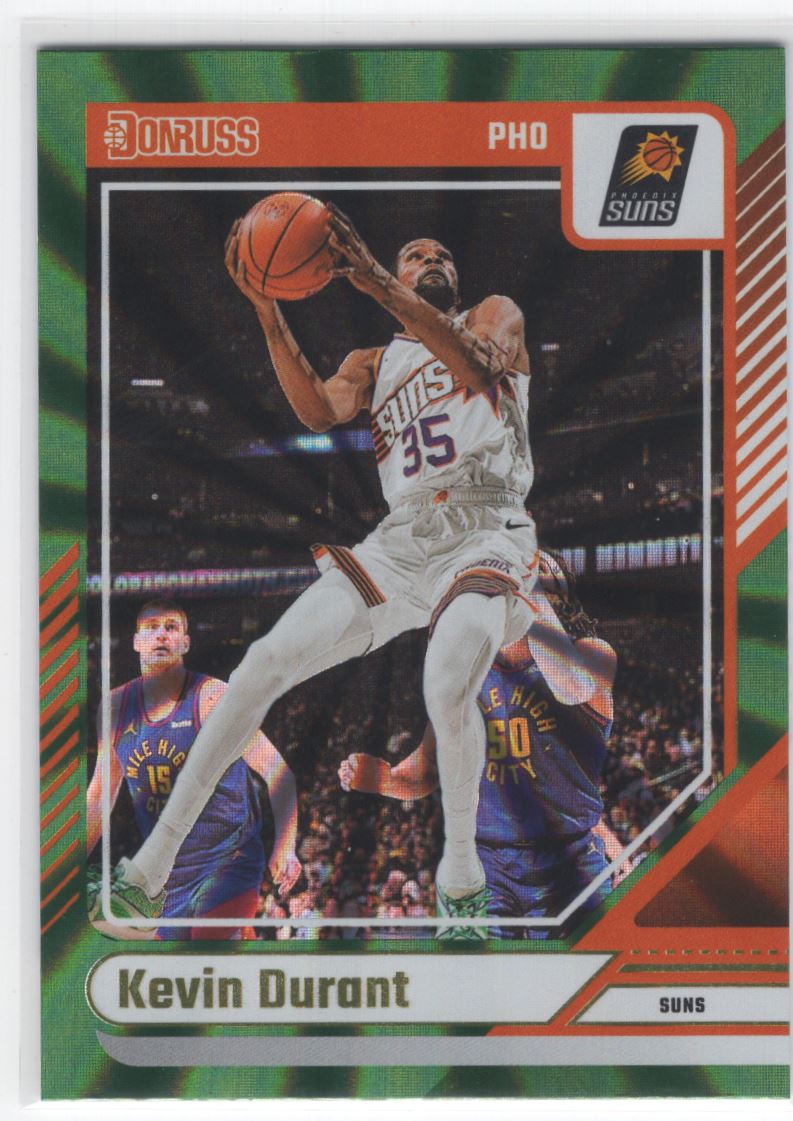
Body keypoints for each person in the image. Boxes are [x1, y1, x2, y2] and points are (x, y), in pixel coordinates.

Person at [97, 203, 536, 936]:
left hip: (485, 527)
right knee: (263, 661)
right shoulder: (373, 363)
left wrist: (375, 281)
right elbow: (317, 411)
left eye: (441, 254)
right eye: (415, 253)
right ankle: (150, 869)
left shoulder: (494, 314)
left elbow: (481, 365)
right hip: (401, 540)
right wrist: (268, 312)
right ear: (400, 271)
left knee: (446, 678)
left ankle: (461, 876)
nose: (431, 259)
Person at [339, 553, 632, 937]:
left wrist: (526, 587)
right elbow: (428, 768)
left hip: (570, 864)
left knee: (581, 971)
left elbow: (571, 686)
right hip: (488, 866)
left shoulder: (594, 652)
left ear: (556, 598)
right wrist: (388, 780)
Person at [86, 599, 301, 939]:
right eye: (151, 628)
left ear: (185, 642)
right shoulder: (115, 707)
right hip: (167, 876)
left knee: (207, 943)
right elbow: (98, 798)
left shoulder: (212, 698)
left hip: (230, 857)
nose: (161, 635)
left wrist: (285, 846)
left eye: (171, 628)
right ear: (136, 642)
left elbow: (279, 772)